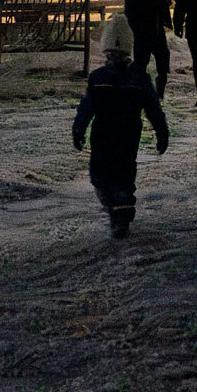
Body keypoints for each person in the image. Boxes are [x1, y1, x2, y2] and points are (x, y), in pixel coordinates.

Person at [73, 14, 169, 236]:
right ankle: (122, 211)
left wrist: (79, 128)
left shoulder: (98, 78)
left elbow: (87, 107)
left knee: (100, 173)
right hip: (128, 133)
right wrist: (161, 131)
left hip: (103, 134)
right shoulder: (139, 79)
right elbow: (153, 108)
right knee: (124, 172)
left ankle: (116, 210)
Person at [122, 0, 171, 99]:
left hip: (153, 25)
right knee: (144, 60)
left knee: (157, 58)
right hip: (145, 26)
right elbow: (141, 3)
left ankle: (146, 88)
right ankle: (135, 88)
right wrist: (160, 3)